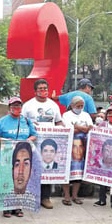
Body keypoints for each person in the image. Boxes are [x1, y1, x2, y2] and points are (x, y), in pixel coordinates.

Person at [22, 79, 64, 210]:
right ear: (35, 91)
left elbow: (58, 122)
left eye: (45, 88)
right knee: (32, 168)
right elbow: (22, 123)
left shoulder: (53, 105)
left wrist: (66, 130)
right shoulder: (28, 106)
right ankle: (31, 197)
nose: (43, 91)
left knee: (47, 169)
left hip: (48, 144)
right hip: (33, 143)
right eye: (40, 89)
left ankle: (46, 197)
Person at [0, 96, 37, 218]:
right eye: (14, 106)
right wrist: (4, 140)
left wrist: (27, 140)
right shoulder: (2, 121)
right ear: (9, 107)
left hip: (22, 156)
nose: (16, 108)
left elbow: (34, 135)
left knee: (20, 181)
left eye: (18, 106)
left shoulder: (26, 121)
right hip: (7, 156)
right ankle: (6, 207)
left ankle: (18, 206)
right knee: (7, 181)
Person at [61, 96, 93, 206]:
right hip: (69, 146)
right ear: (73, 105)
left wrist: (77, 126)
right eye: (78, 106)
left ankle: (75, 196)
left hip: (82, 147)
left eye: (81, 106)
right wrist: (81, 128)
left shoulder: (86, 115)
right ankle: (66, 196)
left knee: (78, 173)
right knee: (66, 171)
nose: (80, 108)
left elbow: (90, 127)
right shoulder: (66, 115)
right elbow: (68, 130)